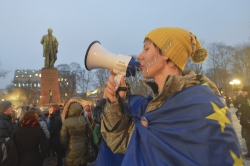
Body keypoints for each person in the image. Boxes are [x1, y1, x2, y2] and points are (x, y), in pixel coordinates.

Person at [100, 27, 242, 165]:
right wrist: (114, 105)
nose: (139, 56)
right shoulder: (152, 106)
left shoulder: (201, 105)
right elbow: (121, 143)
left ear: (166, 53)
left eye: (147, 49)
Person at [0, 101, 18, 166]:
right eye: (10, 107)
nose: (12, 108)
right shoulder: (2, 121)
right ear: (4, 108)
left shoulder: (6, 119)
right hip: (4, 155)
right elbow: (3, 140)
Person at [237, 86, 250, 158]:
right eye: (242, 91)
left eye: (244, 91)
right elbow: (238, 107)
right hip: (245, 123)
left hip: (247, 121)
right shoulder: (241, 99)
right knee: (247, 138)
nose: (242, 93)